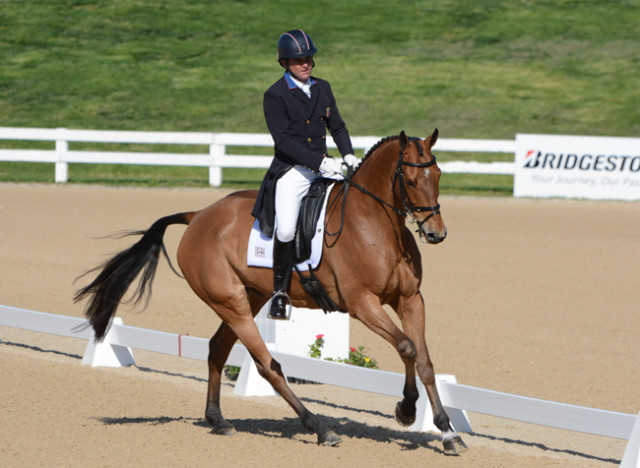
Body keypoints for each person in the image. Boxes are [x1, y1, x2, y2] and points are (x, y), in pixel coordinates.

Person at [251, 29, 359, 320]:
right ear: (285, 62)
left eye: (309, 58)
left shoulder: (323, 87)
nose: (306, 63)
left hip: (326, 166)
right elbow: (283, 143)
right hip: (293, 171)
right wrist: (320, 162)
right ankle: (279, 292)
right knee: (286, 229)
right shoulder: (274, 95)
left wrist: (347, 154)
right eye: (299, 60)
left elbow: (337, 126)